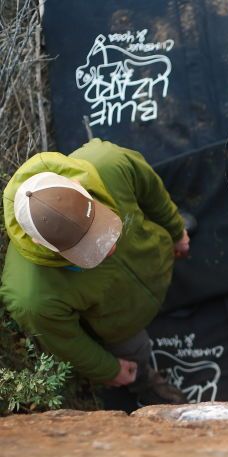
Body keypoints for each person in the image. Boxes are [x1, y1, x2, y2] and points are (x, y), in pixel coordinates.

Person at [1, 139, 190, 405]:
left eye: (102, 226)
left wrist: (175, 230)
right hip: (121, 324)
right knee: (137, 355)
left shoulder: (108, 164)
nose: (110, 249)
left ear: (80, 187)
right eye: (85, 249)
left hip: (156, 261)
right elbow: (67, 341)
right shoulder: (31, 295)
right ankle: (145, 384)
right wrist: (109, 370)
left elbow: (151, 191)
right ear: (40, 244)